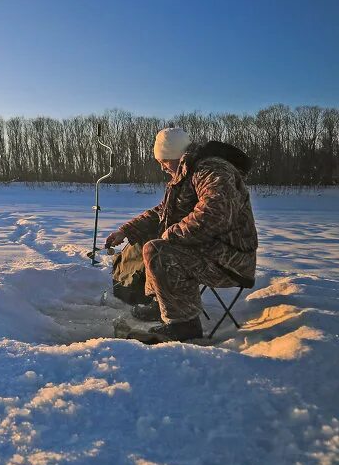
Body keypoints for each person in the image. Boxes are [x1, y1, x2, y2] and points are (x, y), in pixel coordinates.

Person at [104, 128, 257, 343]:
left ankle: (183, 325)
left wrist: (169, 235)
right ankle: (163, 305)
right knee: (154, 242)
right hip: (210, 253)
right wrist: (126, 230)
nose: (162, 166)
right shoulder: (187, 173)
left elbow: (215, 214)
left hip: (231, 261)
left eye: (164, 160)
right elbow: (162, 212)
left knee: (158, 249)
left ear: (176, 155)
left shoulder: (212, 171)